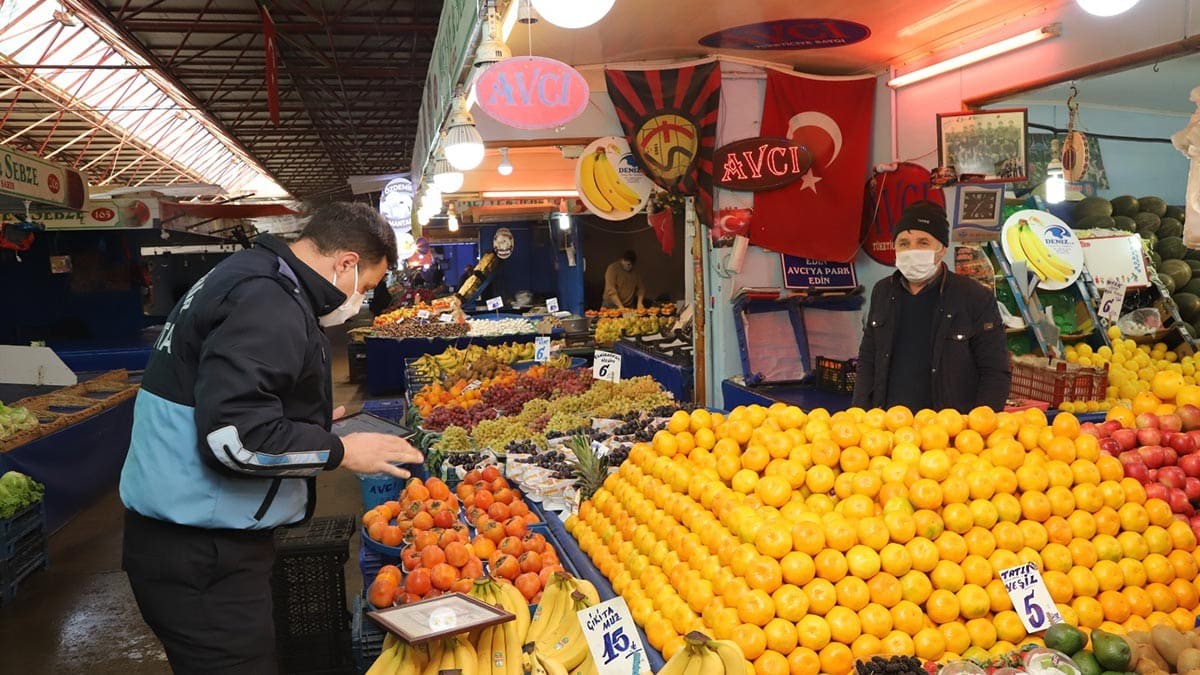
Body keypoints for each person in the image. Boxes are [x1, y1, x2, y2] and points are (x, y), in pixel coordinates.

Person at [120, 202, 422, 673]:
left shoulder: (248, 275)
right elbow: (233, 438)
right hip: (201, 552)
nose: (358, 299)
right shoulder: (268, 299)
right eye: (364, 287)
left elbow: (228, 397)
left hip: (190, 536)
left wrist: (312, 420)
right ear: (346, 262)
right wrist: (341, 450)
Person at [852, 201, 1010, 413]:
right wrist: (859, 415)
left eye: (923, 242)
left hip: (948, 433)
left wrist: (980, 428)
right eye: (904, 243)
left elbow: (994, 372)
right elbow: (868, 359)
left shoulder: (974, 297)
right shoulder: (882, 291)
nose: (912, 250)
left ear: (942, 249)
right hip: (889, 428)